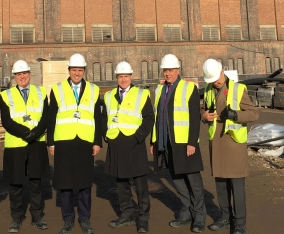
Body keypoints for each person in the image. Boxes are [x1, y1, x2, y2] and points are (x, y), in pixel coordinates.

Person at [150, 54, 206, 233]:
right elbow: (156, 118)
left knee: (193, 182)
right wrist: (154, 141)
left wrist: (192, 143)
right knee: (178, 180)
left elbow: (195, 118)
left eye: (171, 70)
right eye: (165, 70)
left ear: (178, 70)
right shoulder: (159, 90)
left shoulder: (189, 88)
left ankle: (199, 217)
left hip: (184, 144)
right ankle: (185, 212)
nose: (167, 74)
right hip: (166, 143)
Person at [201, 59, 259, 234]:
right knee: (220, 184)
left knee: (237, 186)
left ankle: (240, 224)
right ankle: (225, 218)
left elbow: (253, 114)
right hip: (217, 145)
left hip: (233, 144)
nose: (215, 82)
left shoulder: (238, 89)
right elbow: (203, 109)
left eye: (217, 78)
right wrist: (204, 116)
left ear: (223, 71)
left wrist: (235, 114)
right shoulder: (208, 89)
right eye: (211, 80)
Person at [47, 53, 102, 234]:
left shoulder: (94, 90)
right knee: (65, 183)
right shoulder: (57, 89)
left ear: (84, 70)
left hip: (85, 141)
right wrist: (51, 142)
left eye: (80, 70)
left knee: (85, 182)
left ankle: (85, 219)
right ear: (69, 70)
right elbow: (51, 117)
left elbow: (97, 118)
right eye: (74, 70)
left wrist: (97, 142)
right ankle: (68, 219)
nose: (77, 73)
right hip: (63, 141)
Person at [102, 61, 154, 233]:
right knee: (121, 182)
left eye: (126, 76)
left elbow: (148, 118)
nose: (123, 79)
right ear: (116, 77)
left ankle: (143, 218)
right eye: (120, 76)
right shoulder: (109, 96)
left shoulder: (141, 94)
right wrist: (106, 134)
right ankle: (126, 214)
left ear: (131, 77)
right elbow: (103, 118)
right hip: (116, 143)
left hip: (134, 144)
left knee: (140, 183)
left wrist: (138, 137)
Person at [0, 60, 49, 232]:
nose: (22, 76)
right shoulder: (6, 95)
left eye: (25, 73)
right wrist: (25, 133)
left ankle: (37, 216)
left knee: (36, 182)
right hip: (16, 145)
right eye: (19, 74)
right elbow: (6, 121)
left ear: (29, 74)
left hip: (36, 144)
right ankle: (16, 218)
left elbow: (45, 117)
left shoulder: (41, 92)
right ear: (15, 76)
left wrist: (35, 134)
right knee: (15, 184)